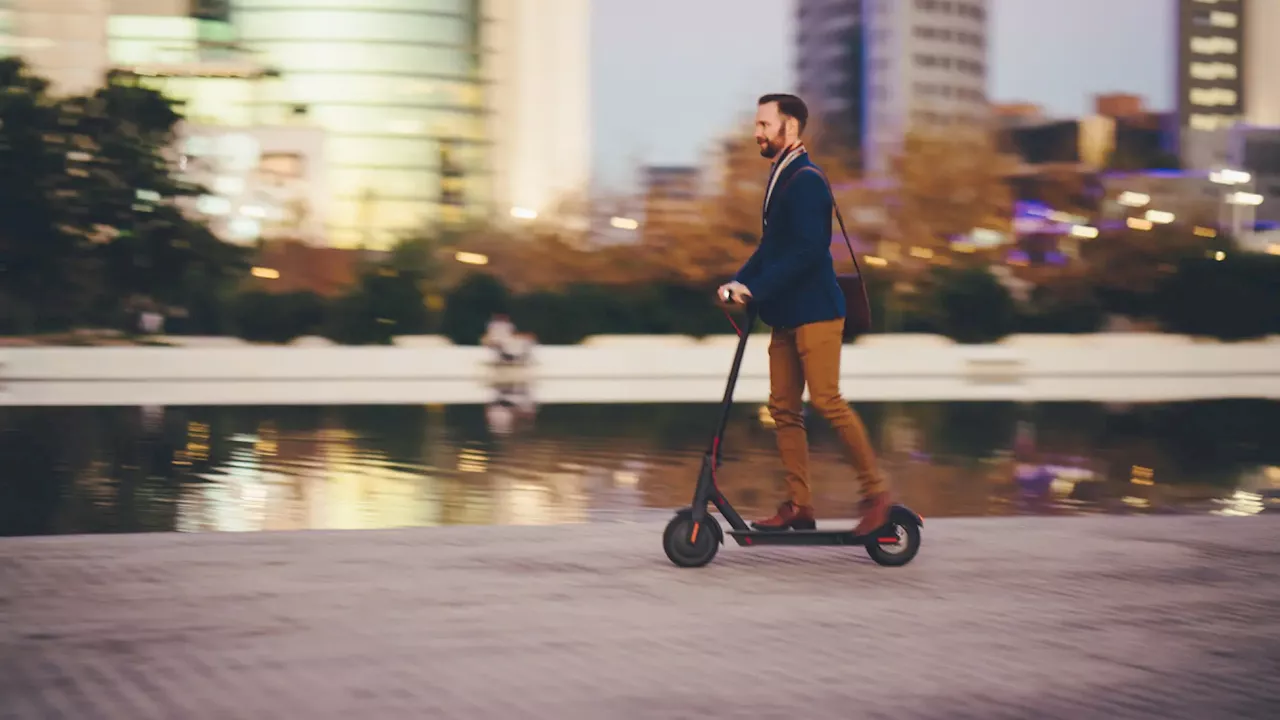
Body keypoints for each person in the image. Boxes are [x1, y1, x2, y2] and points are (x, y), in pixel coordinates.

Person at [717, 93, 892, 537]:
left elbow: (807, 251)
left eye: (763, 124)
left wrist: (755, 287)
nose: (756, 132)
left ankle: (878, 495)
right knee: (783, 409)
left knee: (828, 401)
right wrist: (738, 282)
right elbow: (772, 248)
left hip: (816, 312)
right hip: (786, 314)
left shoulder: (807, 179)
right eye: (756, 124)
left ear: (789, 127)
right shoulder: (782, 175)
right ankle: (799, 504)